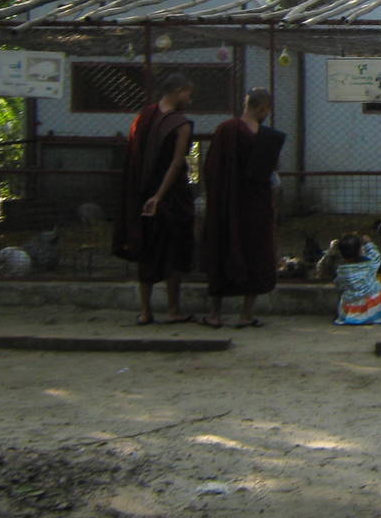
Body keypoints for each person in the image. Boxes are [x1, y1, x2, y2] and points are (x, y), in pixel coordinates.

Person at [112, 72, 196, 324]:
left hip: (141, 191)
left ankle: (146, 311)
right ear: (178, 91)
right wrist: (159, 195)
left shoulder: (143, 117)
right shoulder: (181, 124)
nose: (189, 100)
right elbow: (177, 162)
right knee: (173, 251)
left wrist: (145, 193)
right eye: (188, 94)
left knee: (146, 248)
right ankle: (172, 310)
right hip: (171, 195)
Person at [200, 87, 286, 329]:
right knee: (256, 253)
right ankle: (245, 315)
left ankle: (215, 314)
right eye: (267, 110)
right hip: (256, 206)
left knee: (223, 251)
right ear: (262, 108)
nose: (267, 114)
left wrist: (215, 197)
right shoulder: (267, 138)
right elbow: (270, 175)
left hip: (225, 205)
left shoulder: (224, 130)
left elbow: (210, 168)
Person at [322, 233, 381, 326]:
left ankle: (355, 317)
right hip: (372, 305)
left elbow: (339, 285)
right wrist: (369, 244)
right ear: (360, 250)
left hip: (351, 308)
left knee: (343, 297)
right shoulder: (369, 264)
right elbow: (376, 256)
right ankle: (377, 316)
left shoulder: (341, 271)